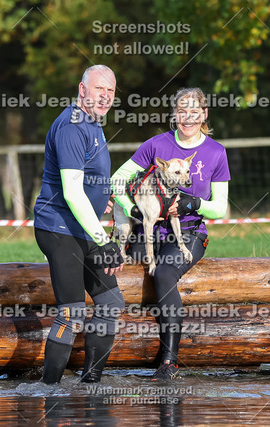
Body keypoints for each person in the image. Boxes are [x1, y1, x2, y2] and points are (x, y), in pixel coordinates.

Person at [111, 87, 231, 380]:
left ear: (204, 114)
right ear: (174, 114)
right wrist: (131, 208)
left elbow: (220, 208)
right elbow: (116, 180)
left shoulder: (216, 152)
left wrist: (195, 203)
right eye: (181, 111)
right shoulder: (155, 145)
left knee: (163, 273)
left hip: (188, 233)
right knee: (111, 265)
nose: (187, 117)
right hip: (147, 232)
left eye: (194, 111)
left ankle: (169, 362)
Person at [34, 65, 125, 384]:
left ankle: (90, 384)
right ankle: (48, 390)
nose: (106, 96)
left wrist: (102, 198)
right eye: (99, 88)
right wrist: (104, 241)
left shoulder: (93, 123)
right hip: (59, 228)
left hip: (83, 228)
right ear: (82, 89)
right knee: (71, 313)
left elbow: (87, 179)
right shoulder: (73, 125)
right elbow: (72, 193)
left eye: (111, 90)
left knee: (110, 302)